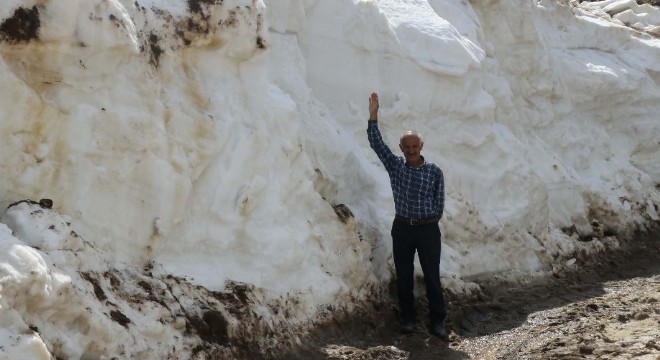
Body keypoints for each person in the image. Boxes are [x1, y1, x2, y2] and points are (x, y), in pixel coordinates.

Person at [366, 92, 448, 339]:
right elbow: (376, 144)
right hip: (402, 228)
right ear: (401, 149)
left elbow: (439, 202)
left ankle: (438, 322)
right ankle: (408, 319)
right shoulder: (396, 166)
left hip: (427, 230)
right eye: (407, 147)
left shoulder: (434, 171)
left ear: (421, 147)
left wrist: (429, 220)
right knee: (403, 277)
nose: (411, 150)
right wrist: (373, 116)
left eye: (415, 146)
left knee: (432, 276)